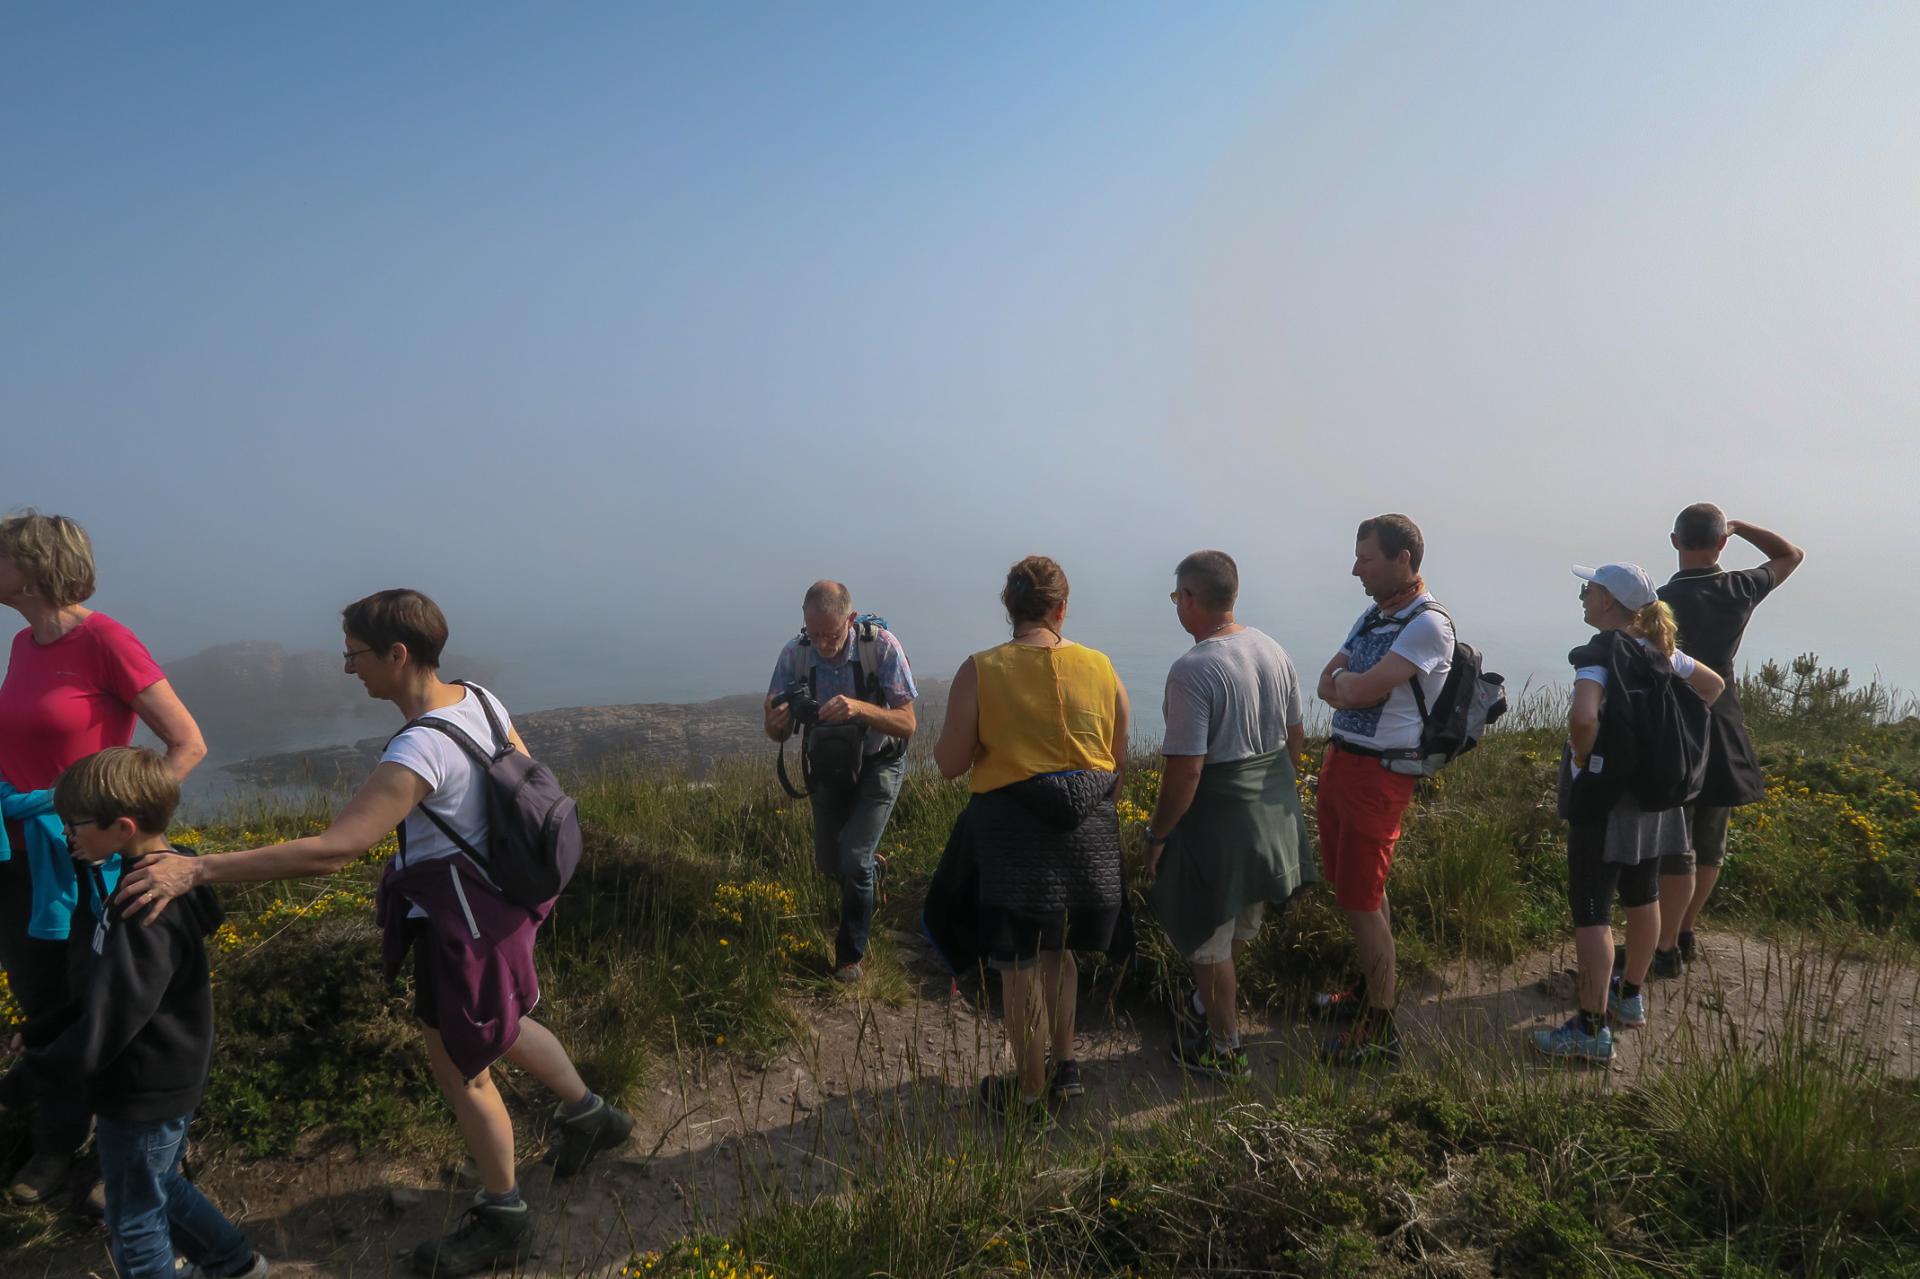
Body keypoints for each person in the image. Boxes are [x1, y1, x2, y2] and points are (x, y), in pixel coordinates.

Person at [114, 590, 632, 1277]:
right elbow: (527, 779)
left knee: (462, 1063)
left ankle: (503, 1215)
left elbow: (334, 848)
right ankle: (591, 1114)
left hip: (463, 922)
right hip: (504, 905)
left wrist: (197, 868)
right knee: (497, 1023)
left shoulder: (419, 748)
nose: (347, 668)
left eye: (354, 654)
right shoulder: (479, 697)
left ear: (397, 653)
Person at [0, 509, 207, 1206]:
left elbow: (186, 743)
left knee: (108, 1003)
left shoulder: (107, 639)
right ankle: (56, 1143)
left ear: (29, 567)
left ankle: (129, 1149)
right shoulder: (25, 643)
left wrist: (127, 824)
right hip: (24, 858)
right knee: (45, 1004)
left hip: (91, 859)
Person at [0, 748, 266, 1278]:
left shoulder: (146, 909)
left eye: (74, 824)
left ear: (122, 827)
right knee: (159, 1182)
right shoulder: (149, 879)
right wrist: (45, 1029)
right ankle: (236, 1265)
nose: (66, 834)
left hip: (141, 1089)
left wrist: (23, 1083)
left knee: (134, 1219)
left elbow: (113, 1019)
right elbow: (105, 987)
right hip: (154, 1081)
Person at [931, 557, 1129, 1124]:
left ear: (1008, 607)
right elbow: (1116, 759)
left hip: (1011, 832)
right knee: (1058, 951)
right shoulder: (1102, 666)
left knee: (1014, 965)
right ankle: (1066, 1069)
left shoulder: (981, 669)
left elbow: (948, 764)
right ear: (1062, 608)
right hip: (1087, 830)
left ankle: (1029, 1094)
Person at [1536, 564, 1724, 1063]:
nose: (1582, 595)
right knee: (1643, 895)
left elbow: (1582, 717)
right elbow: (1712, 687)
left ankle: (1590, 1027)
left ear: (1609, 603)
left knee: (1592, 909)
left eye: (1589, 589)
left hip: (1607, 800)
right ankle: (1630, 996)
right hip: (1656, 799)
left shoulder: (1600, 653)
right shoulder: (1660, 651)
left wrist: (1582, 761)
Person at [1143, 552, 1315, 1080]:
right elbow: (1296, 740)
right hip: (1273, 816)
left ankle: (1224, 1049)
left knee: (1205, 941)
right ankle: (1208, 1006)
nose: (1177, 606)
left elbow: (1186, 773)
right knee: (1239, 924)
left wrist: (1156, 834)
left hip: (1218, 825)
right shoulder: (1272, 647)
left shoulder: (1193, 670)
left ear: (1190, 599)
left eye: (1177, 598)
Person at [1311, 514, 1454, 1066]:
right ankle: (1370, 989)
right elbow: (1329, 681)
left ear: (1403, 560)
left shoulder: (1427, 624)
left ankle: (1380, 1027)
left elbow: (1361, 685)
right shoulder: (1375, 616)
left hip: (1380, 774)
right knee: (1358, 890)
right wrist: (1351, 692)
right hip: (1343, 763)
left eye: (1365, 558)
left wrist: (1352, 690)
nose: (1355, 569)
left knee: (1361, 898)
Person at [1650, 506, 1804, 975]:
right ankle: (1687, 930)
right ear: (1721, 544)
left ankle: (1666, 943)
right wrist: (1739, 527)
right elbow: (1790, 554)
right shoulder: (1740, 588)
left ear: (1675, 541)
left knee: (1675, 840)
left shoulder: (1656, 603)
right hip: (1722, 722)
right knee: (1711, 838)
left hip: (1671, 726)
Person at [762, 581, 918, 983]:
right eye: (814, 634)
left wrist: (860, 708)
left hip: (878, 762)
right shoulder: (795, 655)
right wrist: (775, 725)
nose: (823, 644)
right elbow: (776, 729)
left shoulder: (881, 647)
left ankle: (850, 958)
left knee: (852, 859)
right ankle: (871, 872)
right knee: (830, 863)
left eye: (831, 634)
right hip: (828, 766)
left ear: (850, 619)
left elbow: (907, 723)